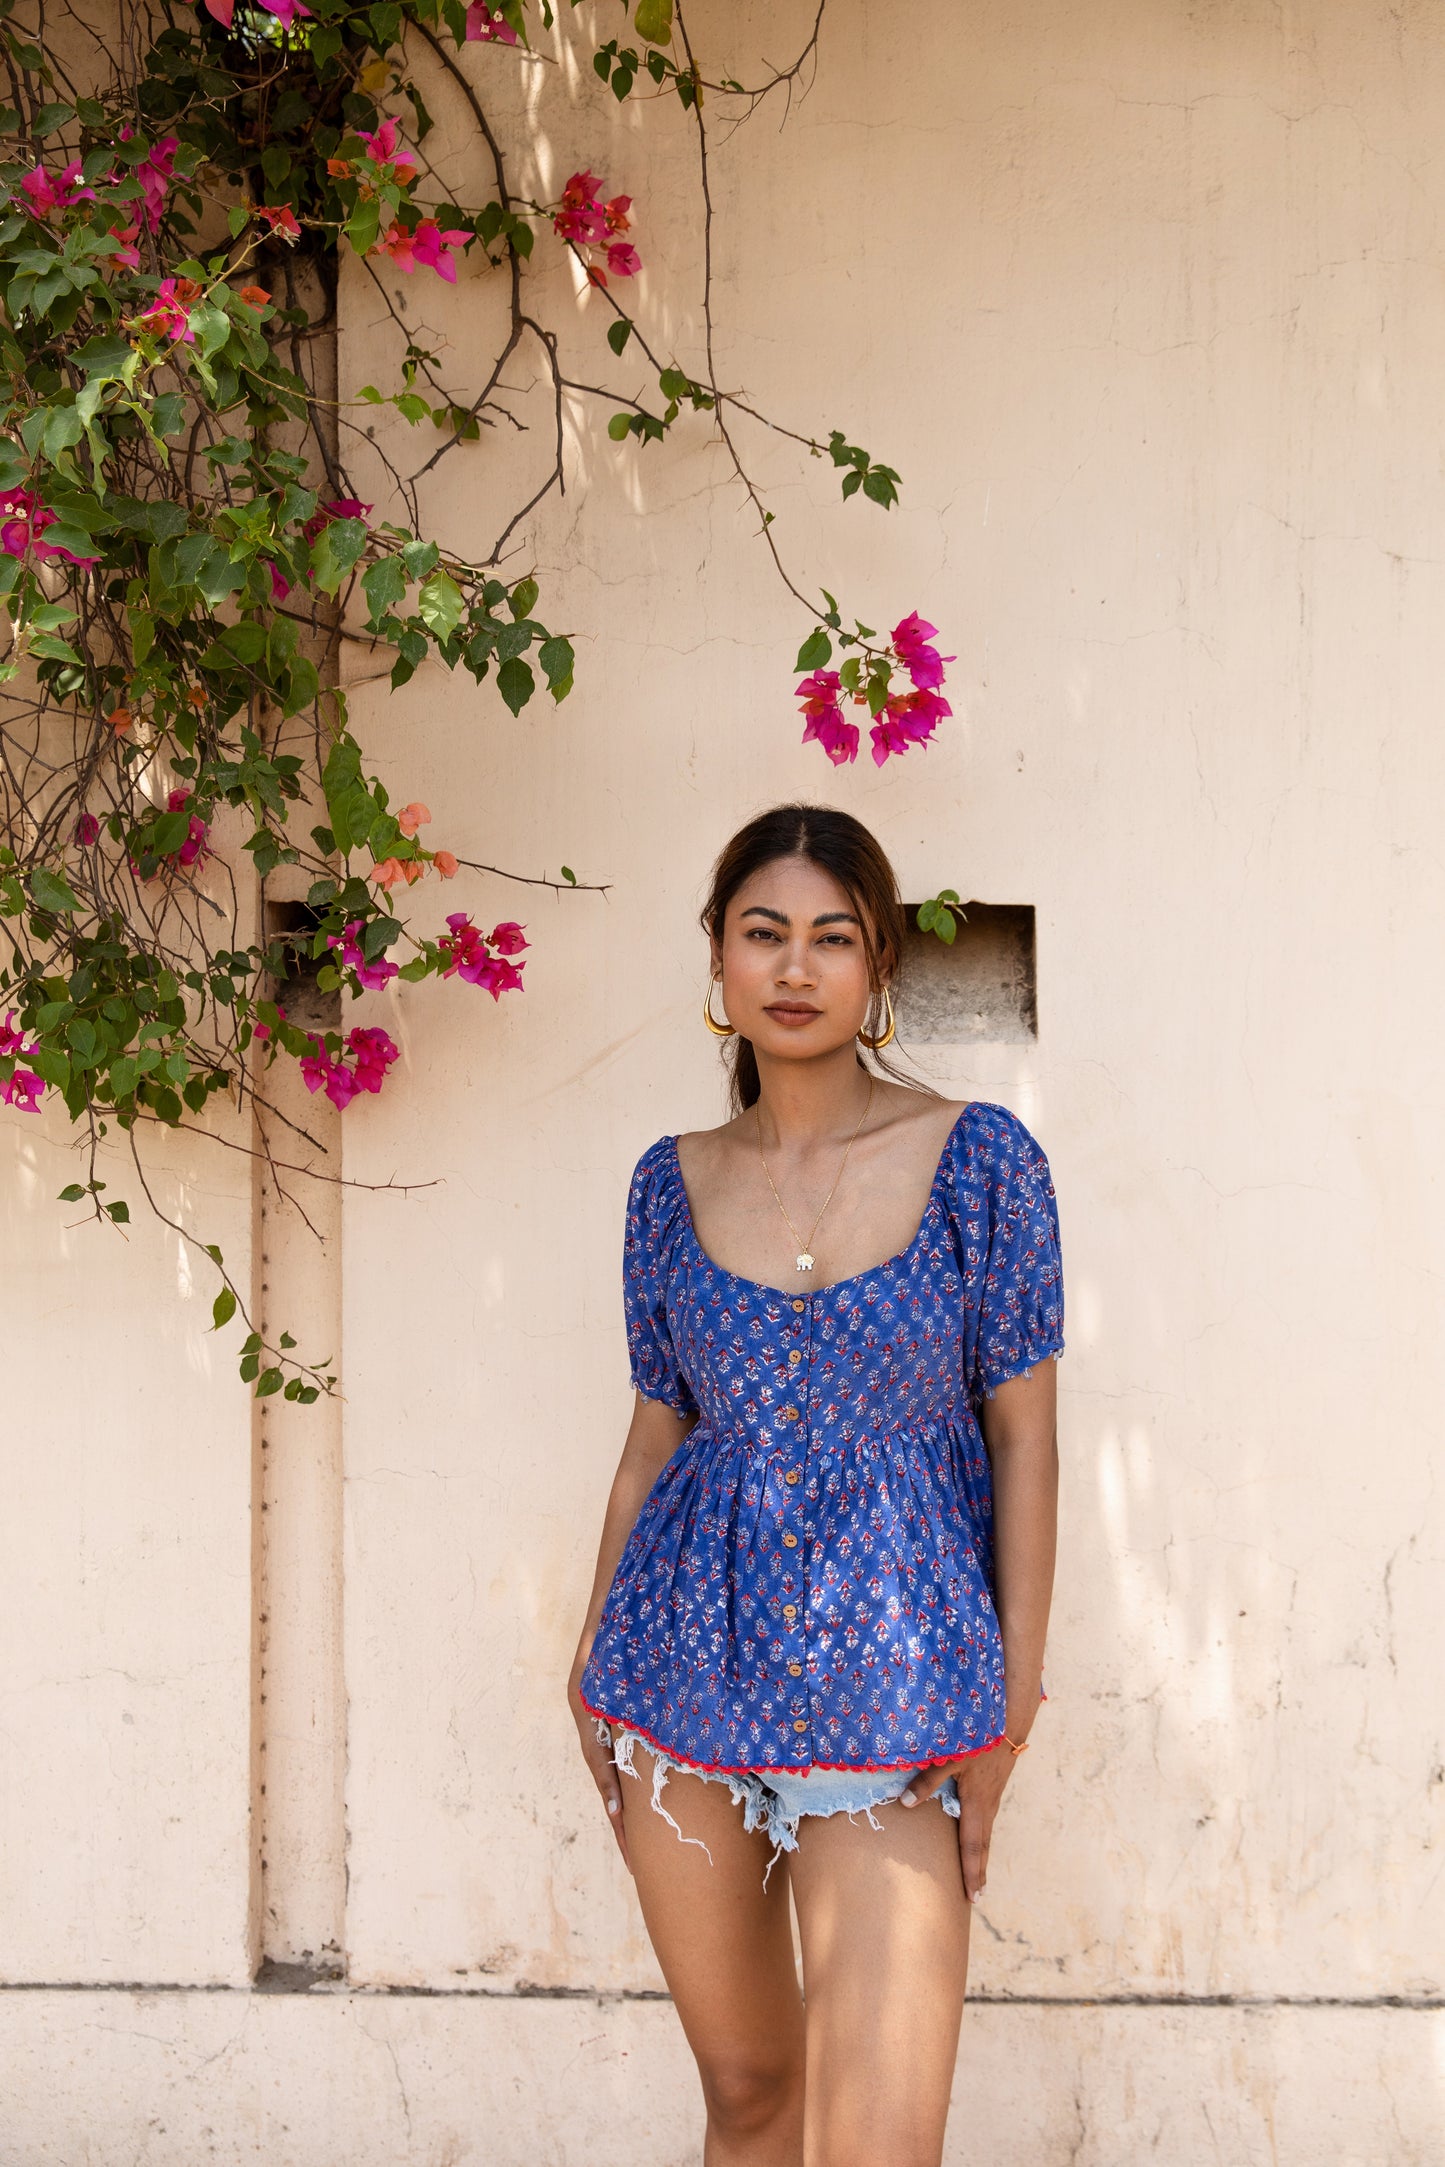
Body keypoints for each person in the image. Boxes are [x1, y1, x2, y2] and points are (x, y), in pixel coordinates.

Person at [568, 802, 1065, 2167]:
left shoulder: (981, 1165)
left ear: (877, 967)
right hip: (677, 1679)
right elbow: (655, 1433)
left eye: (831, 938)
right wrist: (582, 1659)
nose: (794, 968)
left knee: (878, 2145)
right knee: (746, 2099)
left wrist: (1008, 1705)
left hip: (905, 1696)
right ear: (719, 963)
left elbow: (1023, 1438)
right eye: (762, 933)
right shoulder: (666, 1187)